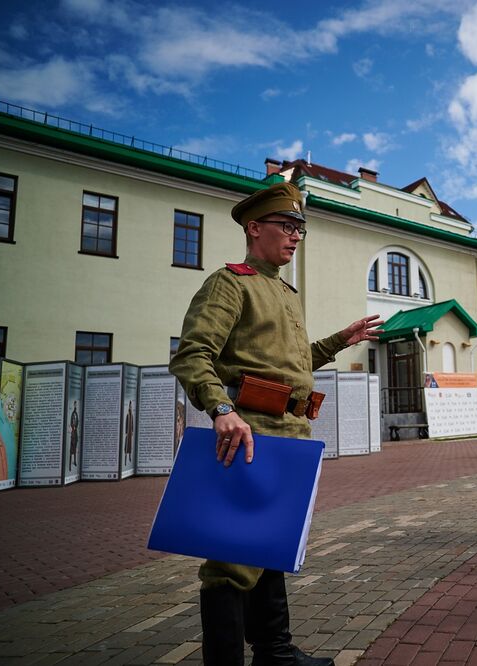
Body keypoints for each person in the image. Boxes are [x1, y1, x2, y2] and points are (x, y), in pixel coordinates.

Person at [170, 182, 383, 666]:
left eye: (299, 229)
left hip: (291, 435)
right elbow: (192, 356)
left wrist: (338, 341)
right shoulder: (231, 282)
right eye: (287, 226)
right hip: (251, 435)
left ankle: (275, 653)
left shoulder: (284, 291)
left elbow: (290, 365)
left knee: (270, 543)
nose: (295, 236)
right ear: (254, 228)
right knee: (230, 561)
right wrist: (221, 410)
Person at [69, 400, 79, 469]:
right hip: (73, 432)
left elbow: (77, 422)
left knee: (75, 447)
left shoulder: (76, 414)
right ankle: (69, 465)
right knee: (71, 447)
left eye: (76, 405)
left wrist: (76, 427)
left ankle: (75, 461)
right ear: (73, 405)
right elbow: (71, 422)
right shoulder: (73, 413)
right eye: (75, 405)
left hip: (75, 432)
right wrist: (73, 427)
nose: (75, 406)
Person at [124, 400, 134, 466]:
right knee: (126, 445)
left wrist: (132, 431)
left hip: (130, 432)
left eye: (131, 406)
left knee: (130, 446)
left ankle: (130, 457)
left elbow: (132, 423)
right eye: (129, 406)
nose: (130, 407)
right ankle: (125, 459)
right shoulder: (127, 415)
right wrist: (126, 432)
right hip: (128, 432)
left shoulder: (132, 415)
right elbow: (126, 423)